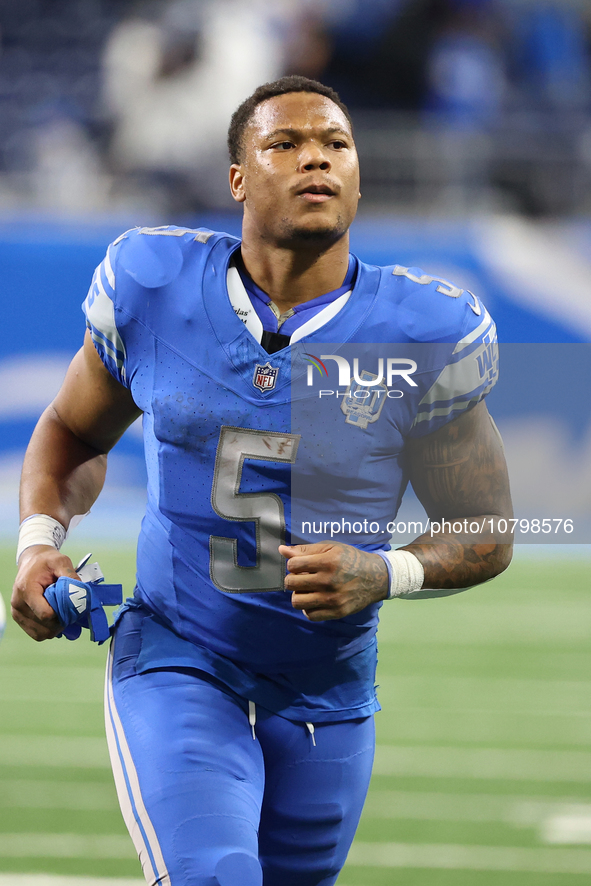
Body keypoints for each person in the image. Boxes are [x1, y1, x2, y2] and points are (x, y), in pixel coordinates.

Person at [12, 75, 512, 886]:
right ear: (238, 178)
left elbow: (485, 527)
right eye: (285, 143)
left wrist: (384, 571)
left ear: (357, 175)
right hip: (179, 654)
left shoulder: (422, 334)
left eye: (335, 144)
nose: (315, 157)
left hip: (329, 689)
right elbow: (71, 432)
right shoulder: (153, 287)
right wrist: (39, 543)